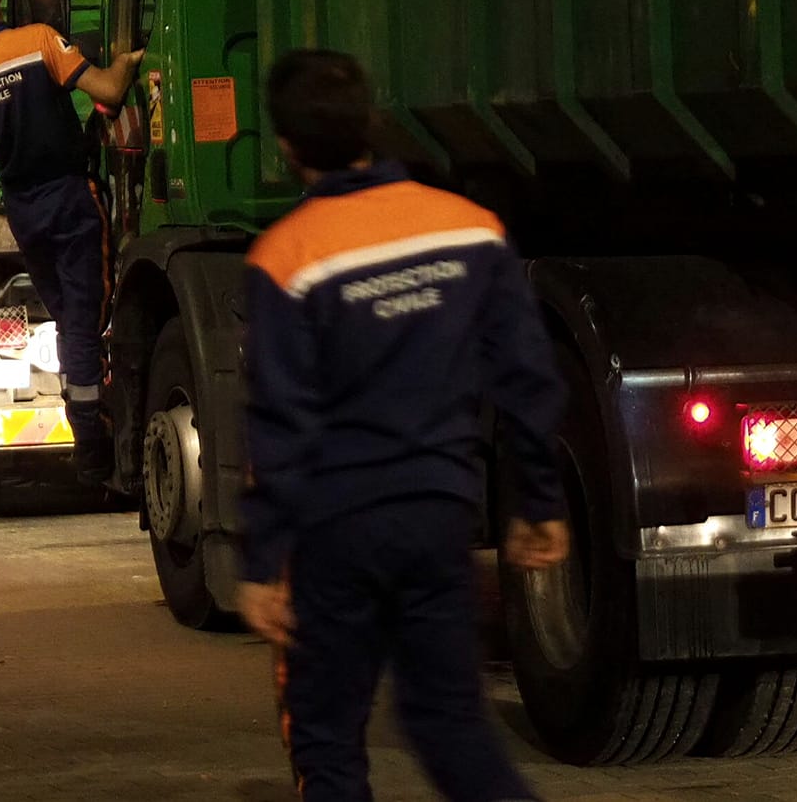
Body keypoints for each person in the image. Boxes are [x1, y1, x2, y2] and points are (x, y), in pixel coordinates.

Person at [236, 49, 570, 802]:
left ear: (286, 146)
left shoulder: (285, 257)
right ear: (371, 125)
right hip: (437, 515)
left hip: (336, 530)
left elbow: (282, 422)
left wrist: (262, 561)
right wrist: (539, 501)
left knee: (326, 736)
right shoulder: (470, 229)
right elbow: (526, 377)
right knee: (449, 722)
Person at [0, 0, 142, 482]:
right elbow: (110, 92)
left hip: (23, 210)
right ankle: (93, 441)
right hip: (70, 196)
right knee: (84, 318)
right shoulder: (39, 40)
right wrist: (123, 59)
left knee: (67, 317)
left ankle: (92, 428)